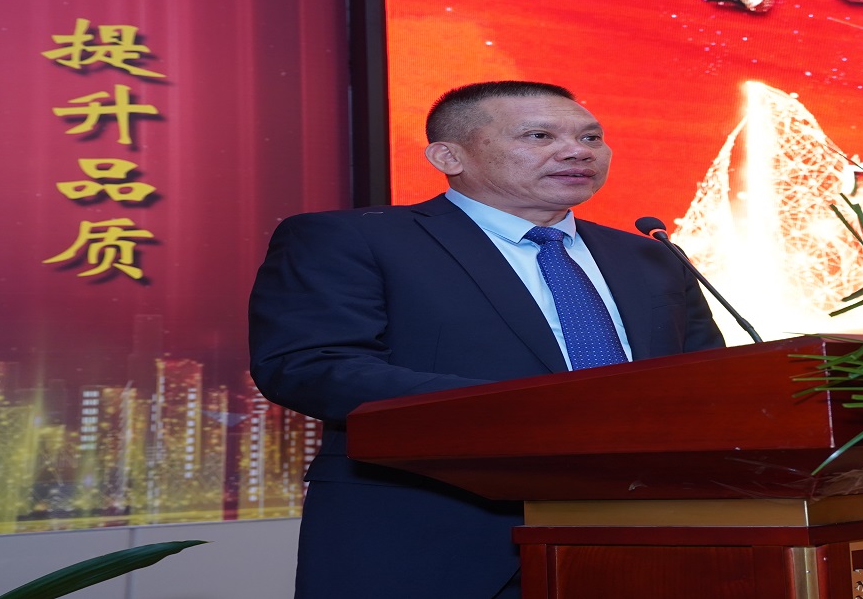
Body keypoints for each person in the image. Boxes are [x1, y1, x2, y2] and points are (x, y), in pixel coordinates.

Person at [249, 81, 724, 598]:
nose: (577, 151)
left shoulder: (651, 255)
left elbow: (707, 379)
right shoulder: (355, 238)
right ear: (448, 156)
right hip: (431, 534)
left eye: (591, 138)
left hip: (643, 540)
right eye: (540, 136)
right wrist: (541, 411)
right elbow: (311, 366)